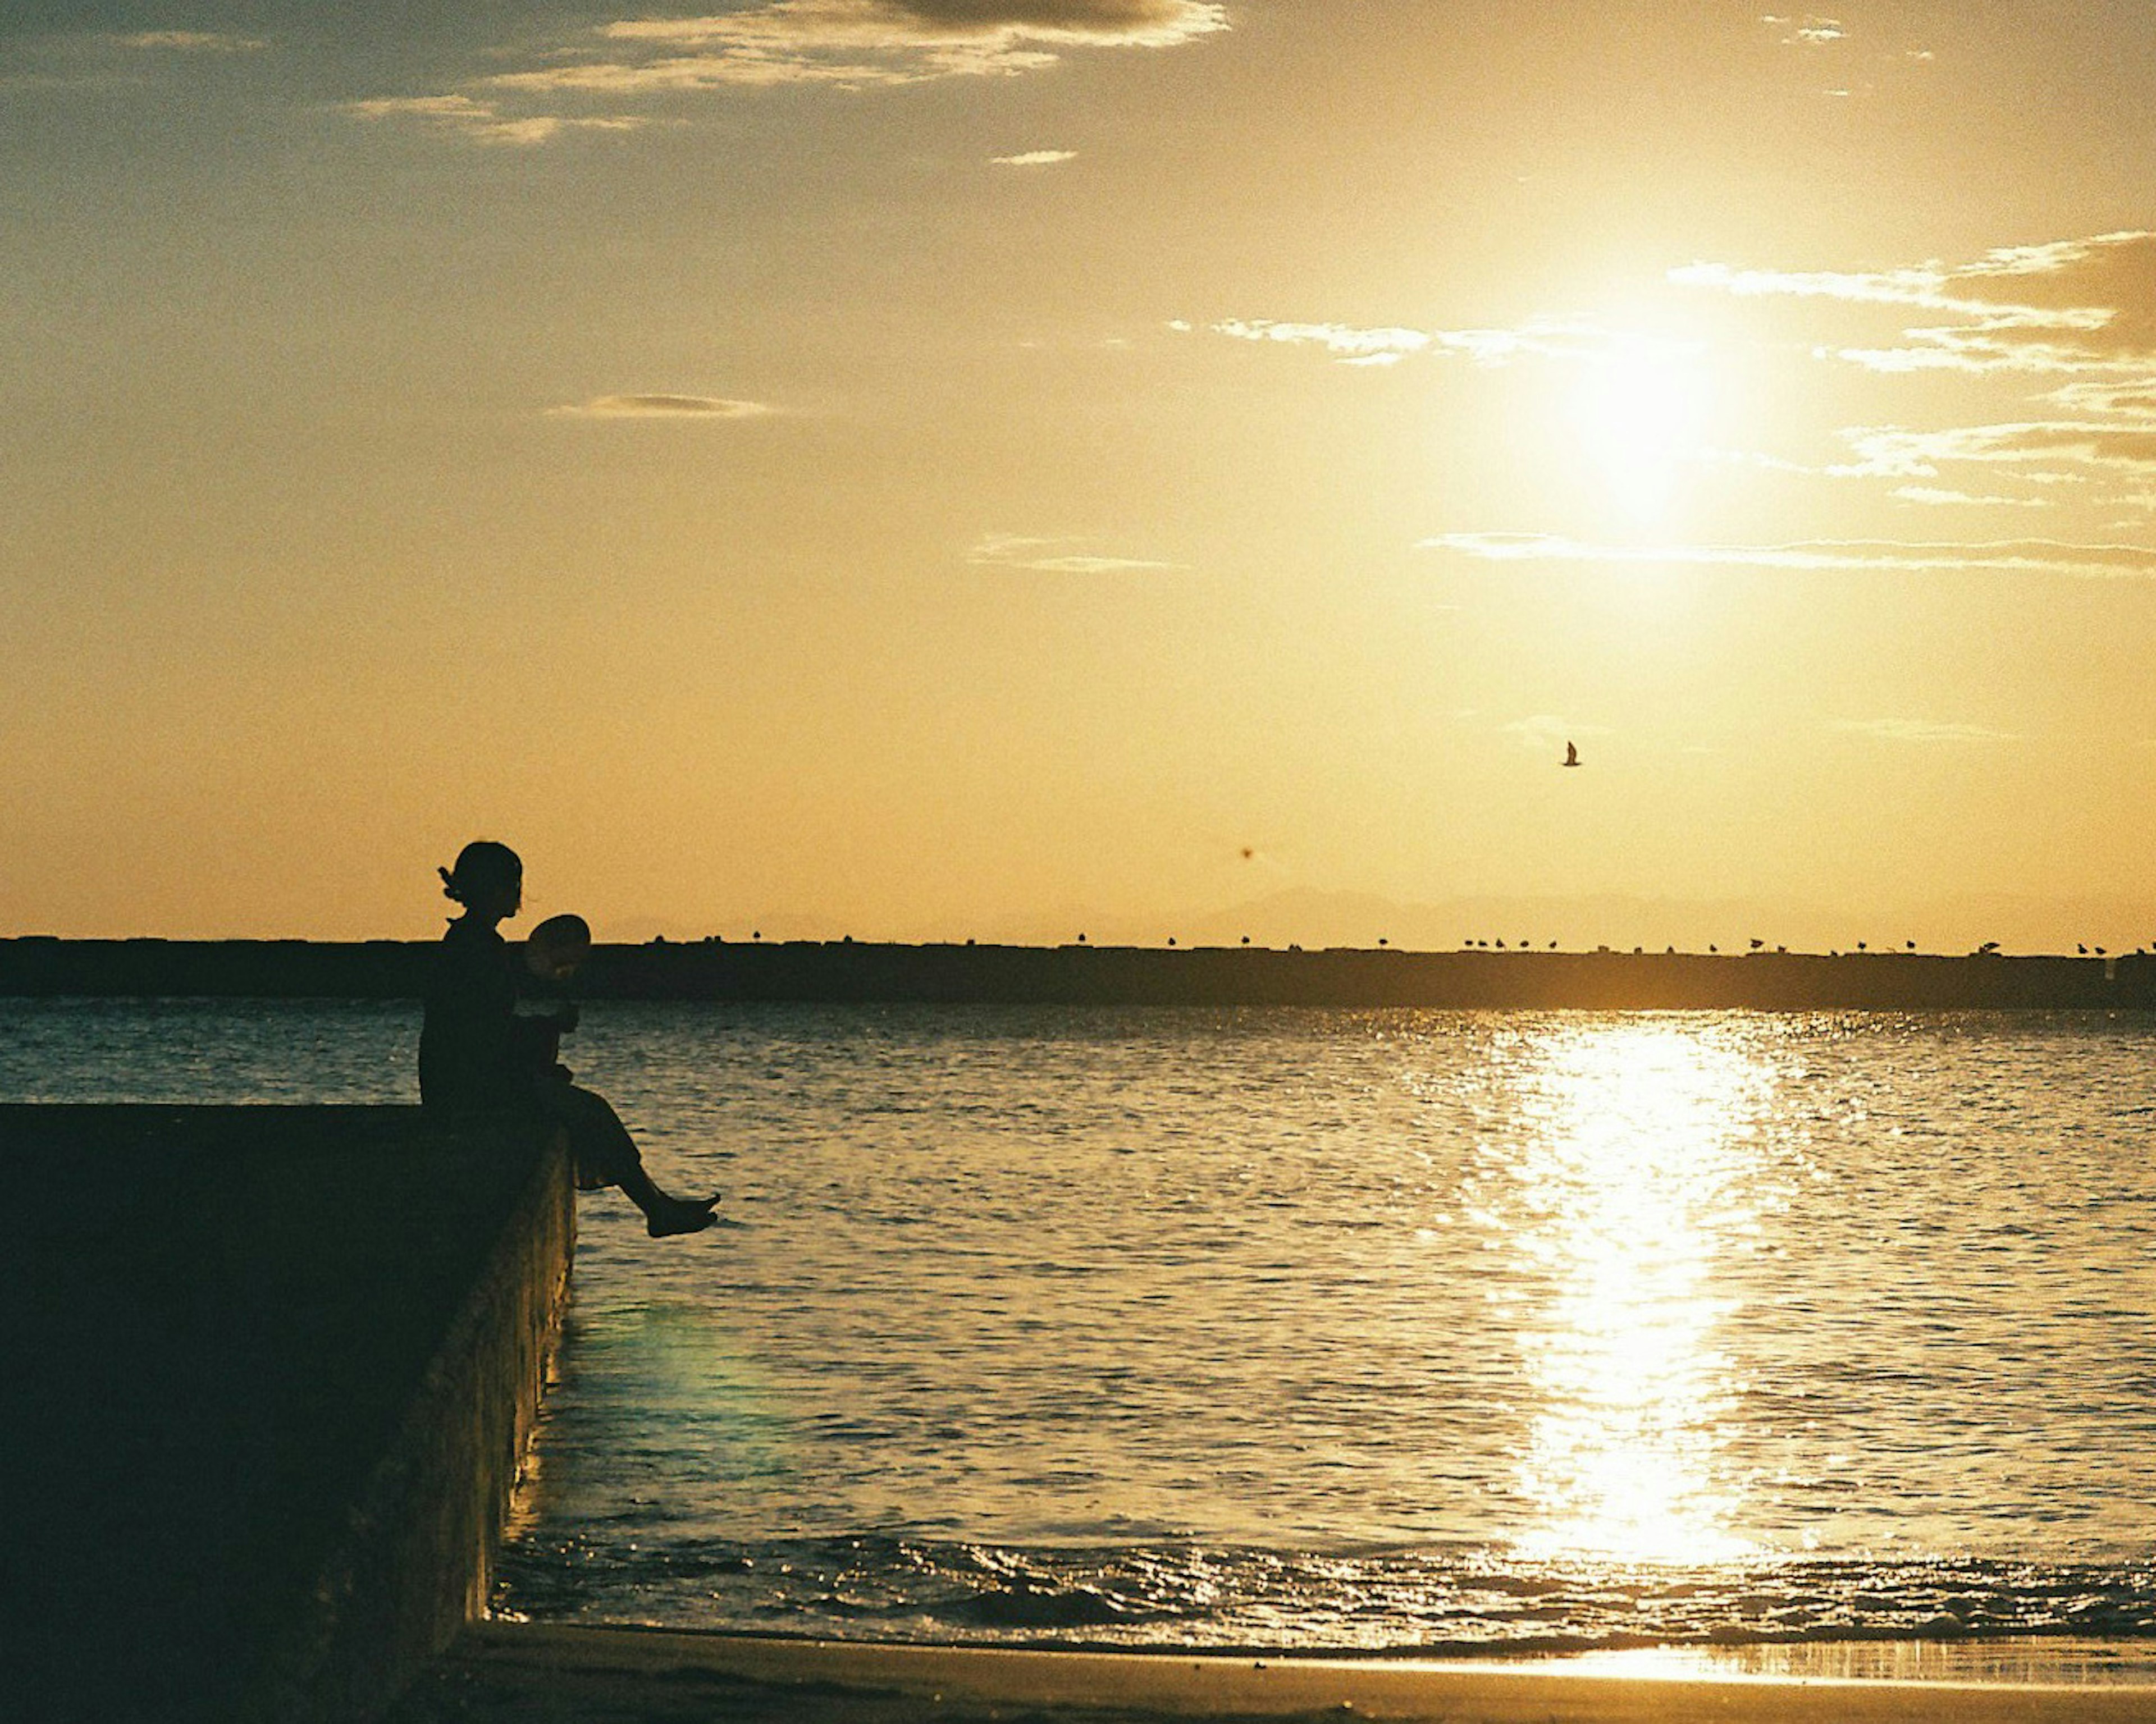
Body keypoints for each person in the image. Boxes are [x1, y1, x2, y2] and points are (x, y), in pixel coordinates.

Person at [418, 840, 719, 1237]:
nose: (519, 893)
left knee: (581, 1105)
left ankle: (657, 1205)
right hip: (468, 1088)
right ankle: (656, 1208)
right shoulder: (480, 948)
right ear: (495, 888)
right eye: (514, 883)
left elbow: (479, 1028)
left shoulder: (467, 942)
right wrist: (547, 1029)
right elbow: (482, 1032)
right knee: (591, 1110)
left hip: (454, 1080)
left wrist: (541, 1035)